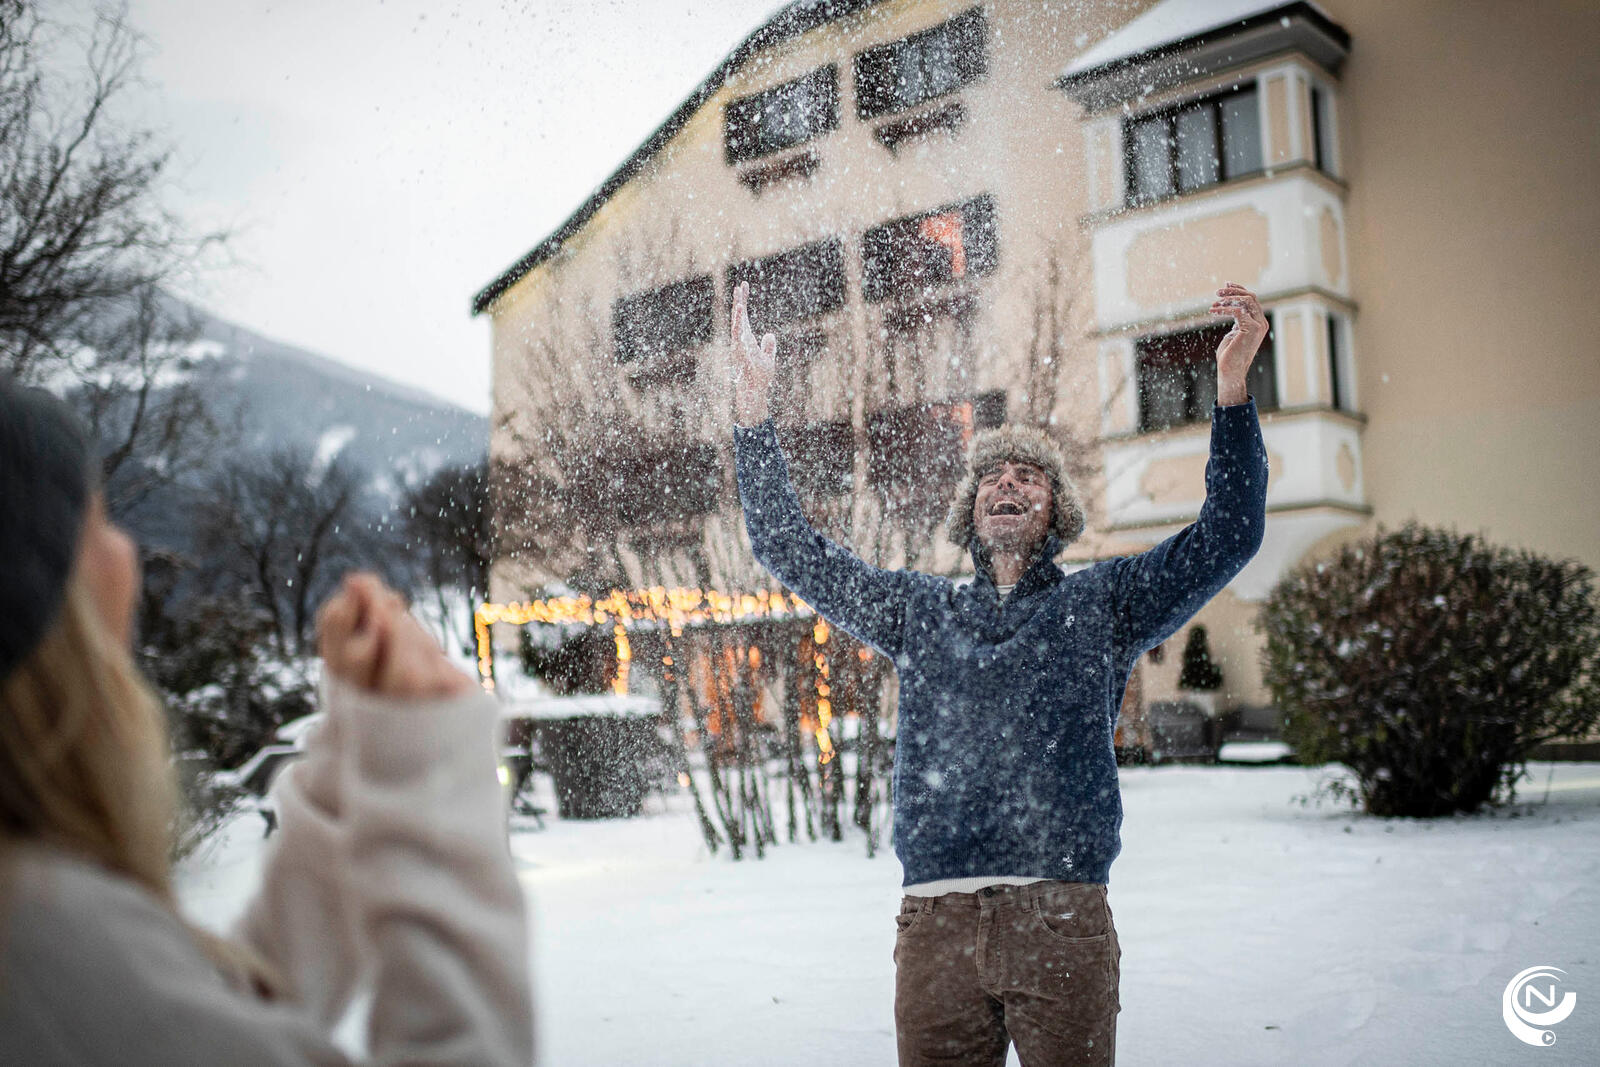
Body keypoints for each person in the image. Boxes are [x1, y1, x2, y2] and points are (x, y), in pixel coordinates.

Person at [729, 279, 1270, 1065]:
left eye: (1030, 476)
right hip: (935, 927)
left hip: (1062, 918)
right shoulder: (919, 611)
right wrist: (752, 415)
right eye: (992, 475)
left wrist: (1229, 390)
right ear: (970, 510)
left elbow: (1229, 533)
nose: (1008, 482)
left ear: (1057, 512)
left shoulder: (1103, 605)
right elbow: (792, 550)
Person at [0, 375, 534, 1065]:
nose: (126, 552)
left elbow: (214, 1016)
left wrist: (357, 756)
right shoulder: (44, 945)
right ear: (40, 612)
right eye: (98, 521)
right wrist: (435, 773)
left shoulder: (50, 931)